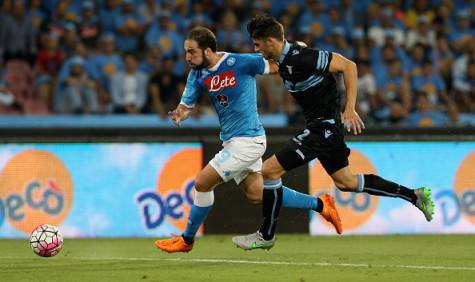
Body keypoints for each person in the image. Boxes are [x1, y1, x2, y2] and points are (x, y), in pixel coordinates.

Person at [231, 15, 435, 250]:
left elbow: (349, 66)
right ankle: (415, 195)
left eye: (257, 45)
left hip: (323, 128)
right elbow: (293, 53)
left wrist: (350, 108)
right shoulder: (289, 56)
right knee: (346, 182)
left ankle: (266, 235)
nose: (256, 49)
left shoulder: (304, 58)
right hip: (324, 128)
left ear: (270, 42)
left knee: (269, 170)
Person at [154, 26, 342, 253]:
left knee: (202, 183)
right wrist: (179, 113)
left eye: (191, 52)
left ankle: (187, 239)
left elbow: (275, 66)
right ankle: (322, 204)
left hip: (248, 141)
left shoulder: (241, 62)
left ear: (207, 51)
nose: (187, 57)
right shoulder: (197, 74)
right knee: (256, 194)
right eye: (186, 52)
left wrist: (298, 51)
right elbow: (186, 106)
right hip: (232, 142)